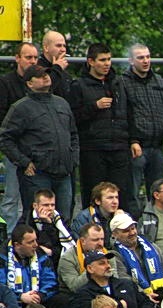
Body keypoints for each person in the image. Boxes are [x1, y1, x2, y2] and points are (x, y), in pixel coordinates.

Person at [0, 64, 77, 221]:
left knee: (64, 219)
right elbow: (5, 138)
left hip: (64, 172)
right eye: (40, 75)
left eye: (47, 74)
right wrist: (23, 162)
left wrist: (73, 158)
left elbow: (74, 134)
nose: (46, 77)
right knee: (37, 220)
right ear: (29, 83)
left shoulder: (62, 103)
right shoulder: (20, 107)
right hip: (37, 174)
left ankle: (61, 246)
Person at [69, 43, 134, 215]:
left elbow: (129, 112)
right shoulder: (79, 85)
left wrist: (133, 140)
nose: (107, 64)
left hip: (119, 146)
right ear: (90, 61)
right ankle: (92, 230)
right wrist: (94, 106)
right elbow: (73, 117)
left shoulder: (118, 83)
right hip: (93, 148)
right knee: (94, 194)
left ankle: (121, 230)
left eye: (109, 59)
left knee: (121, 195)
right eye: (102, 60)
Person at [69, 249, 156, 308]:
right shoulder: (84, 293)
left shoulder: (127, 284)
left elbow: (147, 303)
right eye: (102, 263)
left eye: (108, 262)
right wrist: (119, 306)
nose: (108, 266)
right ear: (90, 269)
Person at [121, 45, 163, 207]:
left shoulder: (158, 80)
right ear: (131, 60)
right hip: (137, 145)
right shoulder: (123, 82)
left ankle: (155, 224)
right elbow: (124, 113)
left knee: (157, 192)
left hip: (157, 144)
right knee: (132, 191)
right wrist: (133, 140)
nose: (145, 61)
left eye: (148, 57)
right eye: (140, 57)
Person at [0, 42, 39, 226]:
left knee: (31, 198)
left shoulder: (40, 84)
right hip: (14, 149)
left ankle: (29, 239)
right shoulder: (6, 83)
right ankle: (9, 241)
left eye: (35, 58)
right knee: (12, 197)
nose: (32, 61)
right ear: (17, 59)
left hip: (37, 150)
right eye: (28, 57)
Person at [110, 211, 163, 299]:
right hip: (137, 299)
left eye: (133, 228)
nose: (132, 233)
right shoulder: (114, 254)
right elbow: (123, 280)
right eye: (126, 231)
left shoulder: (151, 246)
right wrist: (144, 294)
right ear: (115, 234)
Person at [18, 189, 75, 270]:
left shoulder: (61, 220)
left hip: (58, 262)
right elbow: (27, 245)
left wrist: (48, 224)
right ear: (35, 206)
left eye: (52, 205)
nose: (50, 208)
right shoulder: (26, 221)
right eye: (46, 205)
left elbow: (65, 246)